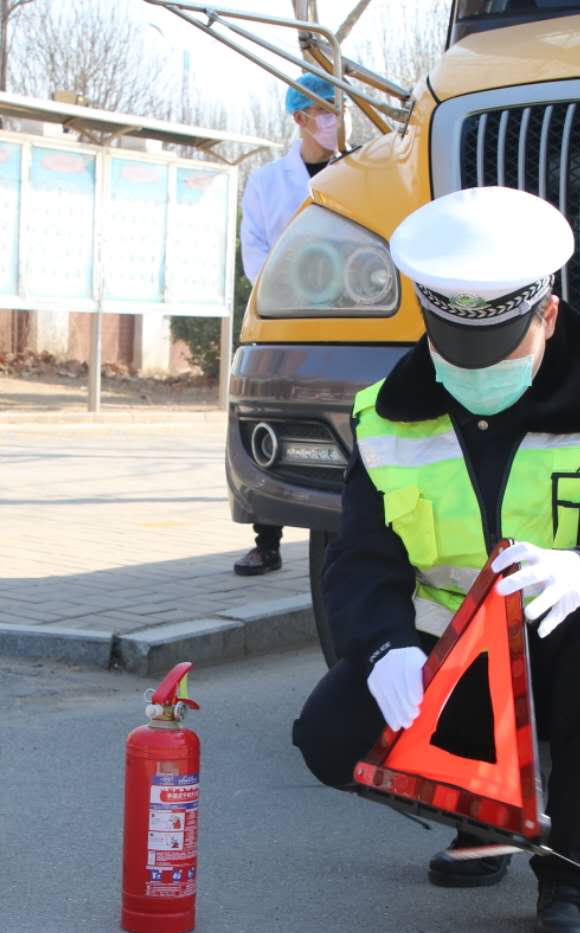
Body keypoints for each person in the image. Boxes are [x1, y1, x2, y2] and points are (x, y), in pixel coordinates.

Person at [290, 187, 580, 933]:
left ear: (547, 315)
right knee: (331, 731)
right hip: (457, 657)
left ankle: (573, 876)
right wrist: (385, 648)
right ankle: (491, 824)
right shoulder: (384, 413)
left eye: (499, 350)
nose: (476, 373)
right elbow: (359, 560)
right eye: (457, 352)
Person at [232, 72, 342, 577]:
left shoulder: (359, 170)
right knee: (270, 415)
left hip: (347, 315)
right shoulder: (267, 181)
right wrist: (282, 285)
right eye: (323, 110)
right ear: (299, 117)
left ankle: (348, 535)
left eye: (336, 108)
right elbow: (253, 246)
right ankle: (267, 540)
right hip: (285, 313)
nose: (333, 118)